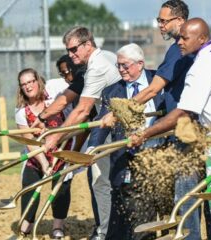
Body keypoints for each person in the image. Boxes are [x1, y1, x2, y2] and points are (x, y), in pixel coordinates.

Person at [128, 18, 211, 239]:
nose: (179, 42)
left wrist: (145, 134)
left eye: (185, 38)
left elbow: (183, 111)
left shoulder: (201, 66)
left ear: (202, 39)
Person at [33, 26, 121, 239]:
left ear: (88, 45)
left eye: (74, 50)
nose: (71, 56)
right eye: (69, 50)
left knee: (102, 181)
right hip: (108, 126)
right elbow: (65, 98)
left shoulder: (96, 67)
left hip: (115, 128)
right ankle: (109, 230)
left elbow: (82, 110)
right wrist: (42, 118)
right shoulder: (95, 62)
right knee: (103, 180)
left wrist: (54, 138)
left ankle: (105, 232)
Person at [89, 43, 166, 240]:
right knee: (128, 211)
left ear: (140, 64)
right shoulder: (112, 92)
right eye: (118, 66)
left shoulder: (159, 81)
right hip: (126, 157)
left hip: (159, 154)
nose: (121, 70)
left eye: (125, 65)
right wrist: (93, 147)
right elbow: (102, 122)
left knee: (163, 211)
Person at [15, 68, 72, 239]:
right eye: (24, 84)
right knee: (29, 187)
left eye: (31, 81)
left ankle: (57, 227)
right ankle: (25, 228)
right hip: (37, 155)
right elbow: (29, 142)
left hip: (61, 152)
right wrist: (44, 164)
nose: (28, 86)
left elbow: (70, 123)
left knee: (61, 189)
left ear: (38, 81)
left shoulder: (54, 99)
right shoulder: (21, 111)